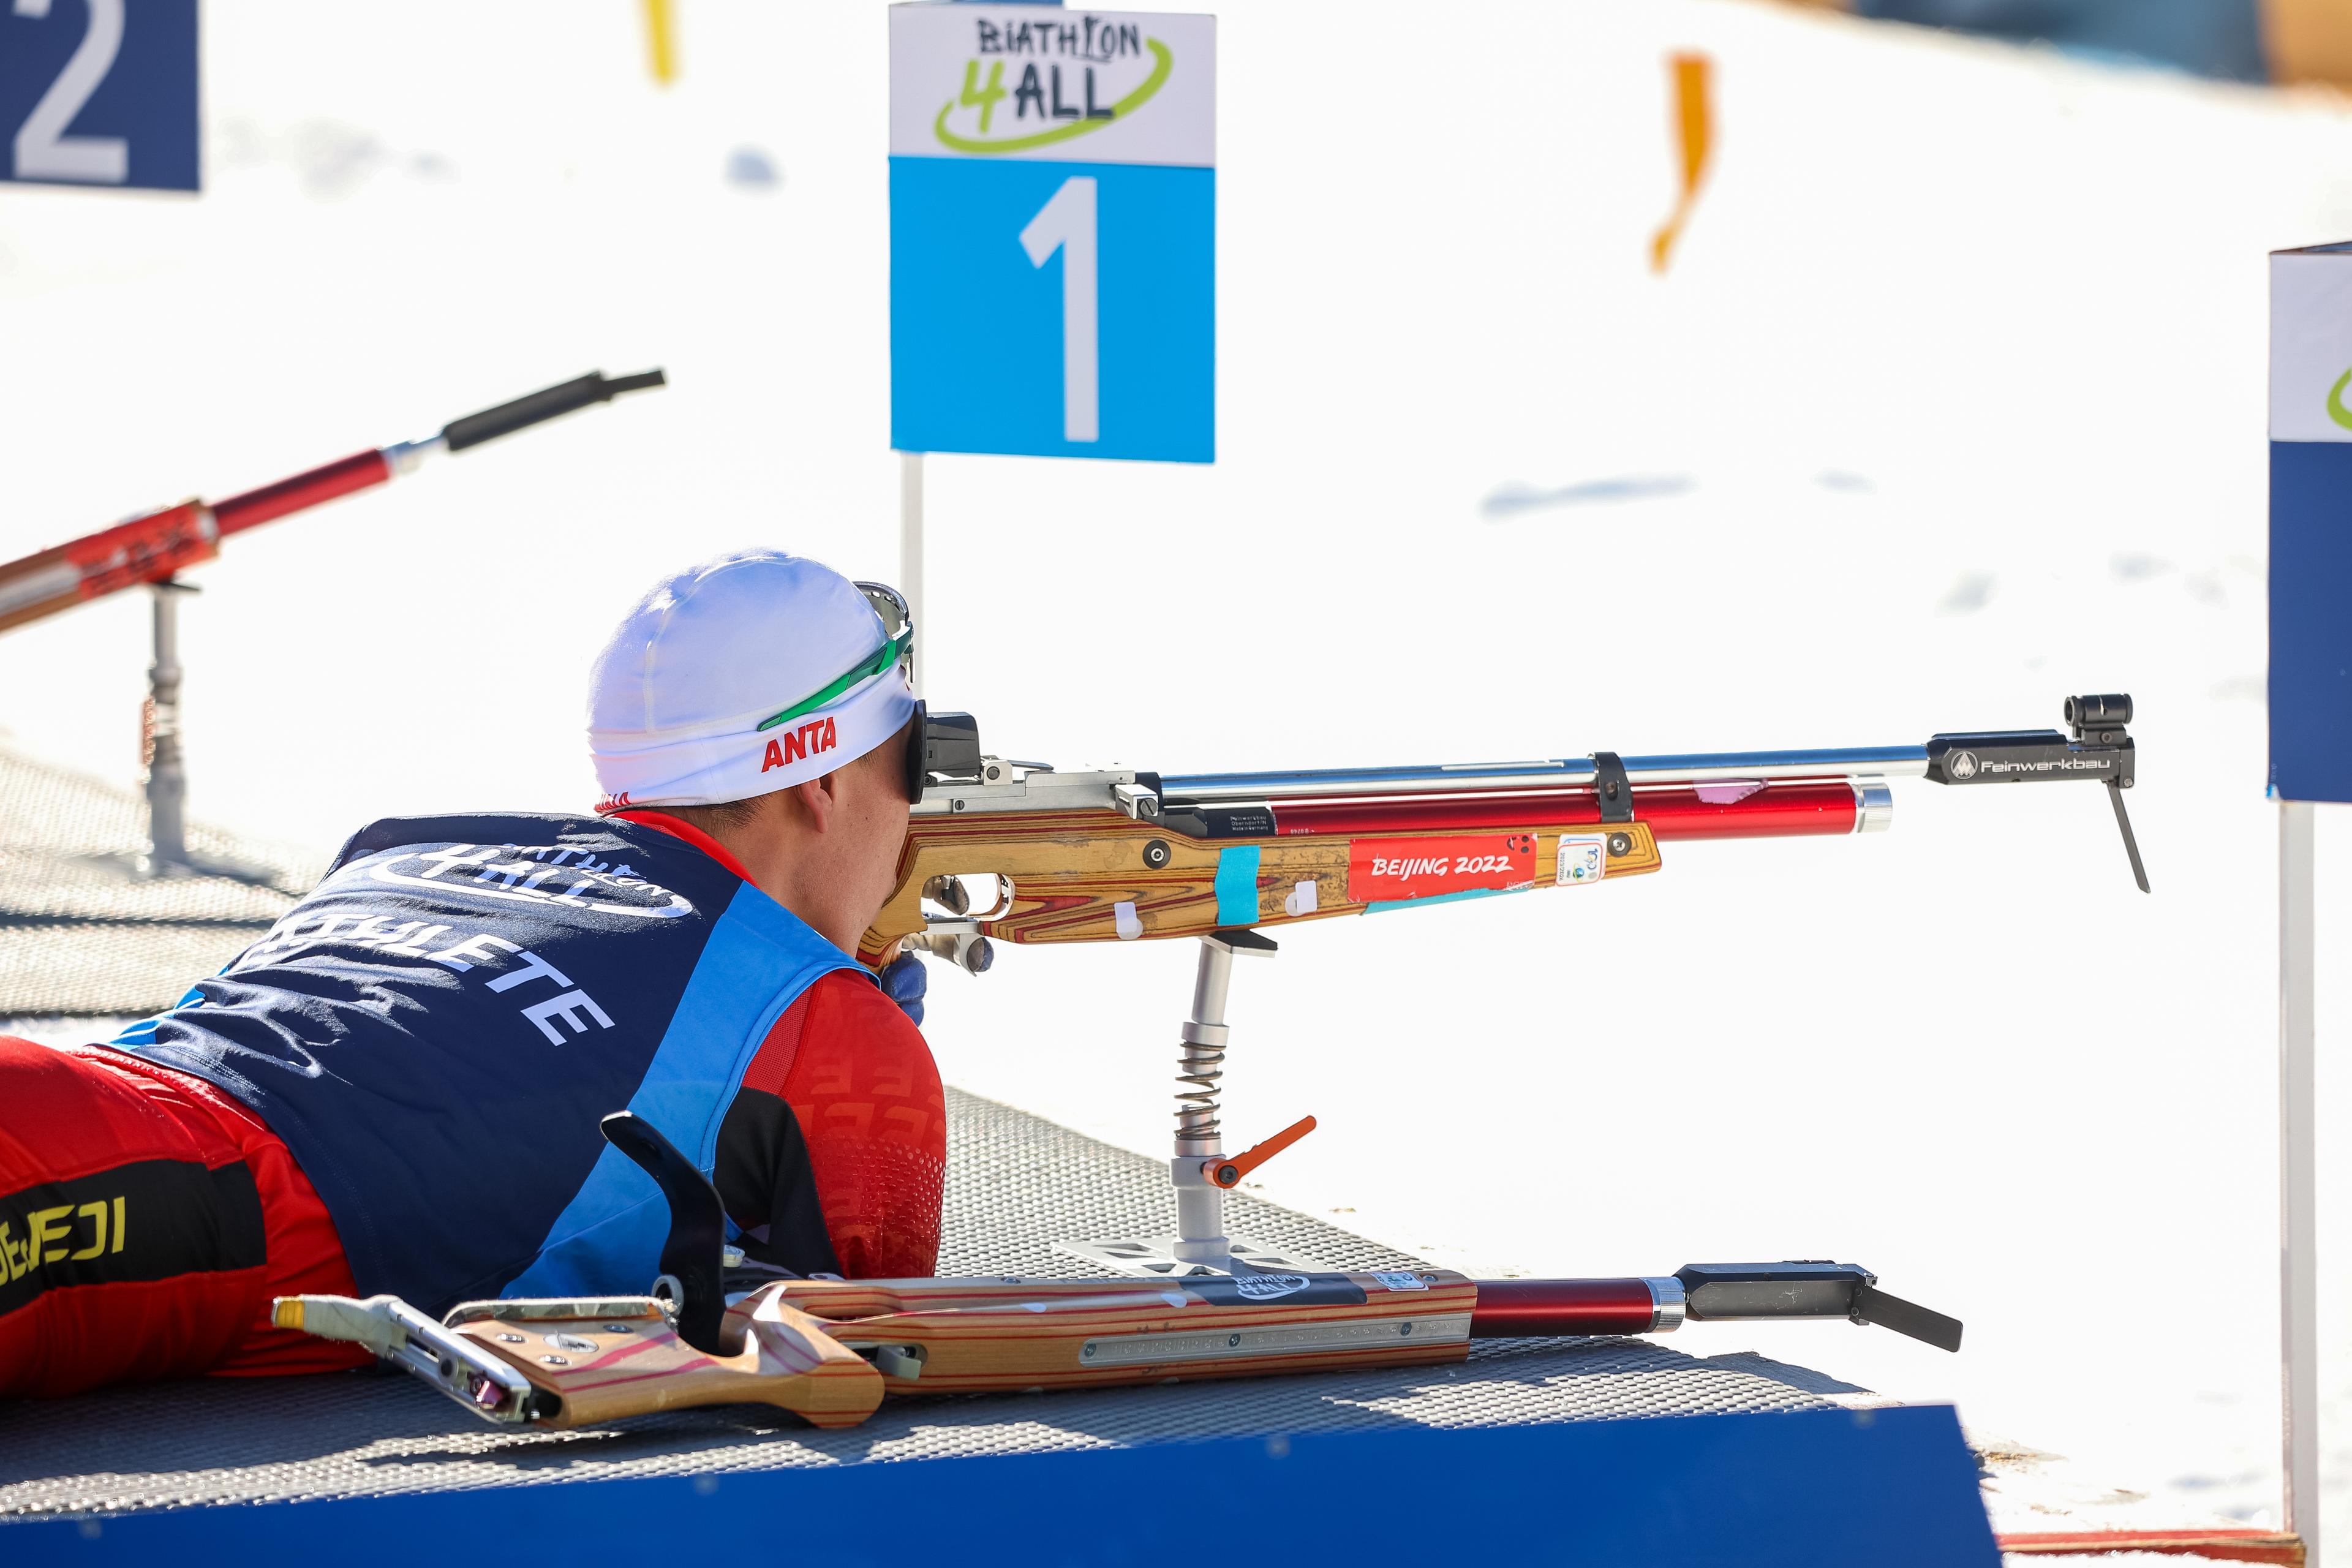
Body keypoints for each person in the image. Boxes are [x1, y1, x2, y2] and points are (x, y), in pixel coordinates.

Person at [0, 549, 944, 1398]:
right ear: (818, 781)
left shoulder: (403, 850)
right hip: (150, 1192)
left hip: (86, 1105)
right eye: (910, 757)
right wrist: (867, 1017)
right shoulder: (824, 1024)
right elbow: (884, 1343)